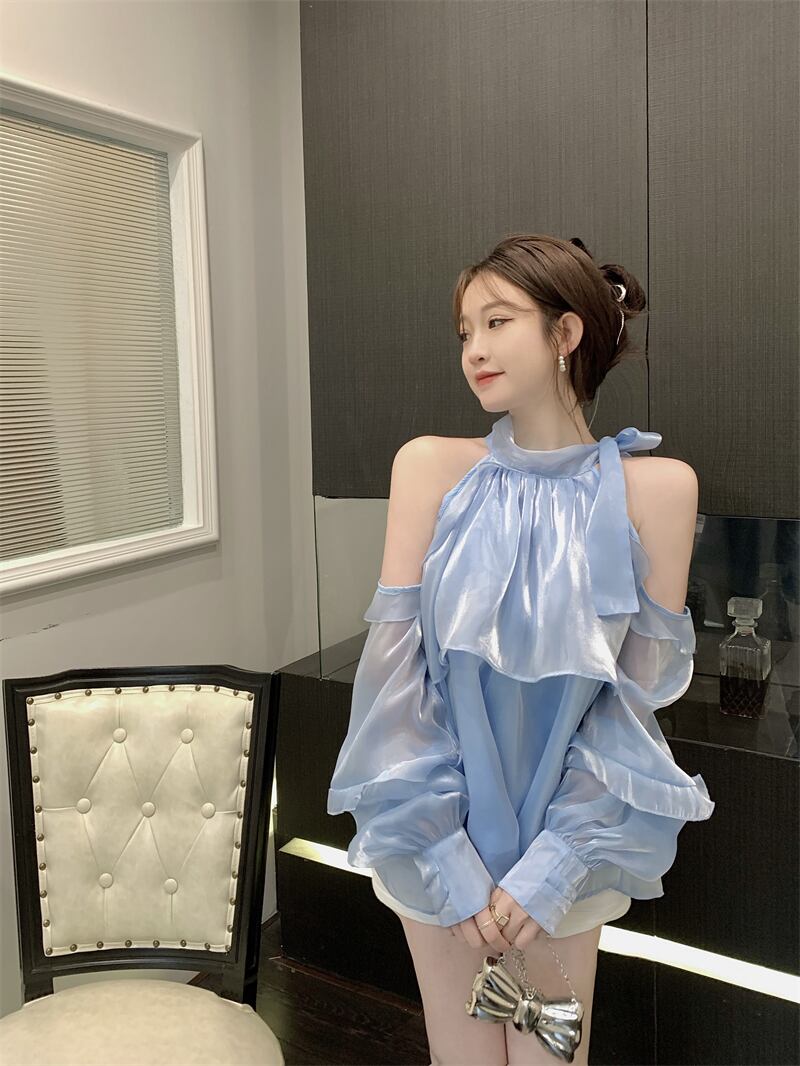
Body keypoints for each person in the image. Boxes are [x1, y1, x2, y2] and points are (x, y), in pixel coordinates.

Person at [327, 233, 715, 1066]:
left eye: (497, 322)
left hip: (571, 848)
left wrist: (557, 864)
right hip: (438, 839)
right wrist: (443, 852)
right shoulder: (430, 468)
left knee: (551, 1058)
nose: (473, 349)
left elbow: (632, 705)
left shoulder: (659, 489)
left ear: (565, 333)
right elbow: (393, 682)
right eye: (464, 330)